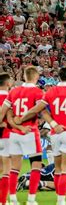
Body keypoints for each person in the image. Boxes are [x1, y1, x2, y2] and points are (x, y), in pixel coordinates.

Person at [18, 67, 66, 205]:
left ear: (59, 77)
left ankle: (59, 199)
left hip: (55, 133)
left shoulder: (51, 91)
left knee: (57, 170)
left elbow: (38, 109)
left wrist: (22, 118)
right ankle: (61, 201)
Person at [1, 67, 44, 205]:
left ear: (24, 76)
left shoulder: (13, 91)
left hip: (14, 134)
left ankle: (12, 199)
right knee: (36, 165)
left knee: (14, 168)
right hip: (30, 131)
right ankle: (31, 199)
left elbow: (3, 113)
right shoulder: (38, 92)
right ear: (36, 76)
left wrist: (15, 122)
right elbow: (39, 110)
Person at [0, 73, 11, 205]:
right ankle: (3, 201)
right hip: (6, 135)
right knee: (6, 169)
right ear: (7, 83)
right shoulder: (10, 97)